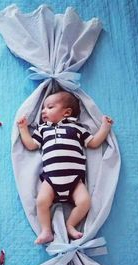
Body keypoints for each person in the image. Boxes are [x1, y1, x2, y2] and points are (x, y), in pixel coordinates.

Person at [17, 91, 113, 243]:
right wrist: (23, 129)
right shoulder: (43, 129)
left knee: (85, 202)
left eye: (49, 107)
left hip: (74, 179)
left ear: (67, 112)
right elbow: (31, 145)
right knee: (41, 202)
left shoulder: (77, 128)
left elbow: (94, 143)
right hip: (51, 179)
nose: (43, 111)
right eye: (43, 108)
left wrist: (105, 128)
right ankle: (46, 230)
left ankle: (70, 224)